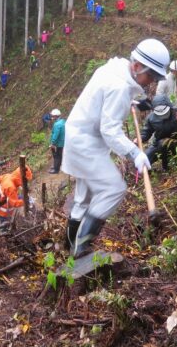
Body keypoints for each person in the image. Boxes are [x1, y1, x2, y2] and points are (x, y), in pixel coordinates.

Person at [62, 38, 170, 257]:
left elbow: (106, 101)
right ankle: (81, 247)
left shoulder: (113, 69)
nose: (151, 82)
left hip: (79, 134)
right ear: (138, 66)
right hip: (86, 143)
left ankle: (67, 245)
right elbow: (110, 129)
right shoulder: (119, 86)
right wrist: (134, 154)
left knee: (84, 197)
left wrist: (137, 104)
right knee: (114, 189)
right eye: (151, 76)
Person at [139, 95, 177, 172]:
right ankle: (153, 171)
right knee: (143, 160)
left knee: (164, 143)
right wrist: (139, 138)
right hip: (159, 145)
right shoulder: (151, 118)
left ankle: (169, 167)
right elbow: (146, 132)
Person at [49, 108, 65, 174]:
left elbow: (56, 135)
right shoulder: (63, 121)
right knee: (59, 155)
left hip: (58, 143)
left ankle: (56, 169)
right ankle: (57, 166)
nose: (52, 117)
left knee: (56, 156)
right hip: (62, 142)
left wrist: (53, 143)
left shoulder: (57, 124)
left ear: (56, 116)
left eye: (53, 116)